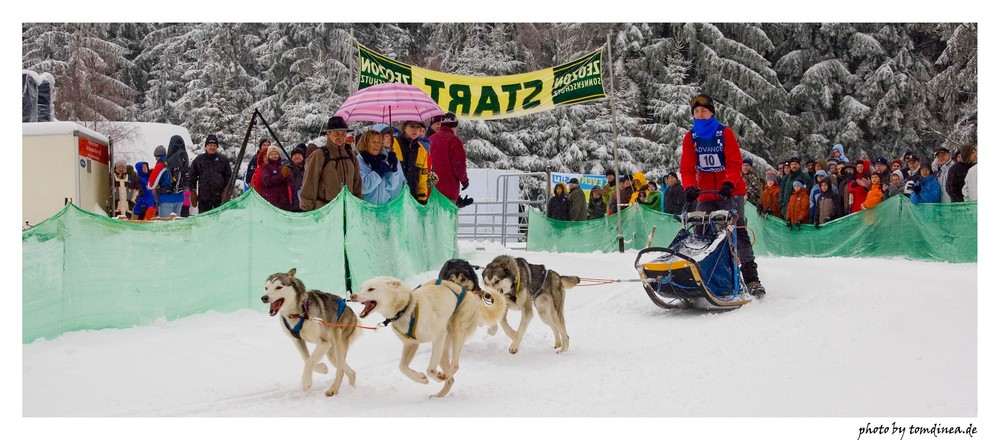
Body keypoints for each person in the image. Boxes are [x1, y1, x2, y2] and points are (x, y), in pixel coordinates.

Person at [680, 93, 765, 297]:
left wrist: (729, 182)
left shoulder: (724, 133)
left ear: (711, 112)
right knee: (700, 233)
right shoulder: (690, 137)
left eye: (704, 110)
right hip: (706, 193)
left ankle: (752, 279)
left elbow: (735, 162)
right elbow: (687, 168)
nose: (700, 114)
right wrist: (690, 187)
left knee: (738, 231)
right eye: (697, 111)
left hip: (731, 191)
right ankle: (703, 276)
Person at [300, 116, 362, 211]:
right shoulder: (319, 155)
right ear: (328, 134)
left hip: (348, 209)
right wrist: (307, 208)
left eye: (343, 133)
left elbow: (356, 183)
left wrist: (358, 204)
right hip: (326, 211)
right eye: (336, 133)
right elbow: (310, 183)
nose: (340, 137)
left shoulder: (351, 155)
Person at [428, 112, 470, 204]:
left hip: (432, 187)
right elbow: (459, 165)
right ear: (454, 126)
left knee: (434, 216)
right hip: (449, 187)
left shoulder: (431, 139)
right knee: (448, 216)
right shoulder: (454, 141)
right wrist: (464, 181)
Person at [357, 127, 405, 204]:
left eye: (379, 142)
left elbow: (392, 186)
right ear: (365, 143)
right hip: (366, 209)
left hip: (383, 208)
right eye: (373, 142)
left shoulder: (382, 159)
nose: (377, 145)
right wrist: (377, 173)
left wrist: (393, 170)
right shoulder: (359, 161)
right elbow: (363, 187)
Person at [188, 134, 232, 214]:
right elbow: (192, 176)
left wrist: (226, 189)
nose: (212, 147)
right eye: (210, 145)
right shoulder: (199, 160)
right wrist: (193, 191)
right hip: (204, 198)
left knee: (219, 221)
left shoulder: (223, 160)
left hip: (220, 199)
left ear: (217, 147)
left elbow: (228, 177)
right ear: (206, 146)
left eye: (214, 145)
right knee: (204, 220)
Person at [394, 120, 433, 204]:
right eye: (412, 126)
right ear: (404, 127)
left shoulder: (422, 150)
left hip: (413, 199)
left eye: (418, 127)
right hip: (394, 199)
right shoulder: (393, 144)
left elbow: (423, 177)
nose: (415, 130)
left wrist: (422, 199)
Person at [148, 141, 186, 217]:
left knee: (166, 225)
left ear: (156, 156)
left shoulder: (161, 164)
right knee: (176, 224)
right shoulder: (178, 162)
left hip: (166, 199)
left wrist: (149, 185)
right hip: (179, 198)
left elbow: (151, 184)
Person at [259, 144, 294, 210]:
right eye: (271, 154)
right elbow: (267, 181)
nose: (274, 156)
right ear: (268, 156)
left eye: (276, 154)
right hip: (272, 200)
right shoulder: (266, 168)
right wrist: (281, 176)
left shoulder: (282, 167)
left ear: (279, 155)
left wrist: (288, 176)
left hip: (283, 200)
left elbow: (290, 182)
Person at [288, 144, 307, 211]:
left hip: (305, 203)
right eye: (295, 155)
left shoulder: (307, 169)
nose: (297, 156)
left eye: (299, 155)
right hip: (291, 203)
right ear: (291, 158)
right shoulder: (287, 170)